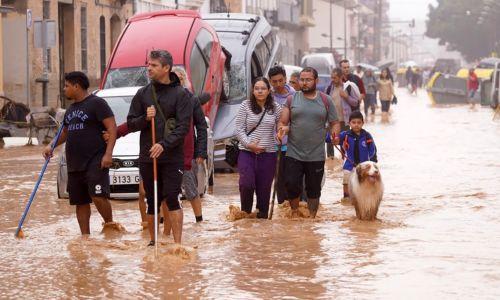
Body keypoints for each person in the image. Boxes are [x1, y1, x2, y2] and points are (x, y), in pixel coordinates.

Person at [127, 50, 192, 245]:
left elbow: (182, 128)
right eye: (148, 64)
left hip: (172, 157)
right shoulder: (143, 93)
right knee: (152, 199)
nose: (149, 68)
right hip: (148, 156)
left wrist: (164, 145)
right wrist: (145, 118)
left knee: (172, 196)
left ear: (166, 68)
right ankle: (153, 243)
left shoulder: (181, 94)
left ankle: (178, 244)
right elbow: (131, 123)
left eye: (154, 65)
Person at [43, 71, 118, 235]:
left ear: (76, 86)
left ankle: (110, 225)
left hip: (95, 159)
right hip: (75, 162)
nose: (64, 89)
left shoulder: (97, 103)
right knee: (80, 201)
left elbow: (112, 127)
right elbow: (64, 132)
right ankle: (85, 237)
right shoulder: (71, 109)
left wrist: (108, 154)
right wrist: (51, 146)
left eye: (67, 86)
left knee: (98, 195)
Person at [278, 67, 340, 218]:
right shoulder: (292, 99)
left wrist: (335, 134)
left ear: (316, 81)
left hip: (316, 154)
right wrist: (282, 130)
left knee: (313, 190)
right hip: (294, 152)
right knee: (292, 185)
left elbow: (335, 122)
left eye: (308, 80)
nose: (304, 83)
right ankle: (294, 213)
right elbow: (282, 121)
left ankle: (312, 218)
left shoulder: (326, 100)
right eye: (302, 80)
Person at [235, 77, 282, 218]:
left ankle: (261, 223)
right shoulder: (246, 105)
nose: (260, 91)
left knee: (264, 191)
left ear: (269, 91)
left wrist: (280, 133)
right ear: (253, 90)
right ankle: (246, 216)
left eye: (263, 88)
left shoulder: (275, 108)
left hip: (268, 155)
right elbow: (238, 129)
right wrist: (249, 144)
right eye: (257, 88)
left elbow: (282, 125)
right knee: (246, 184)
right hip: (247, 152)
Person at [103, 123, 148, 229]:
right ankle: (146, 227)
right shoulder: (143, 112)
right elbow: (132, 122)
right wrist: (114, 133)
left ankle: (164, 229)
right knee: (143, 192)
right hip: (146, 156)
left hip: (164, 154)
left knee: (163, 196)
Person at [268, 65, 295, 204]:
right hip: (273, 146)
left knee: (292, 180)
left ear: (285, 79)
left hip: (292, 145)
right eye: (274, 81)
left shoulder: (294, 96)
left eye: (280, 80)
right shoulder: (267, 97)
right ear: (270, 81)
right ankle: (281, 207)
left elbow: (298, 120)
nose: (278, 84)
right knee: (278, 181)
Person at [339, 111, 378, 202]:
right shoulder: (345, 135)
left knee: (365, 182)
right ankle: (346, 198)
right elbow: (334, 139)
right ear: (349, 123)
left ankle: (366, 198)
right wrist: (327, 136)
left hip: (364, 166)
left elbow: (372, 150)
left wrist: (372, 162)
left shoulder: (367, 136)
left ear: (363, 123)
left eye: (359, 123)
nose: (356, 125)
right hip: (349, 164)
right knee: (346, 179)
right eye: (354, 122)